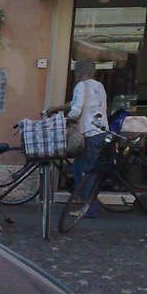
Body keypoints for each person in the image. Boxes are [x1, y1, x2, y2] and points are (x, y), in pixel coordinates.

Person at [46, 58, 108, 216]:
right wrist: (57, 108)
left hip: (88, 132)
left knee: (82, 170)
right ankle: (91, 203)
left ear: (78, 72)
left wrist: (65, 119)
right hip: (101, 132)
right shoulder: (99, 86)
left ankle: (88, 208)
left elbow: (76, 109)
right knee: (85, 169)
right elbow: (78, 102)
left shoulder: (81, 86)